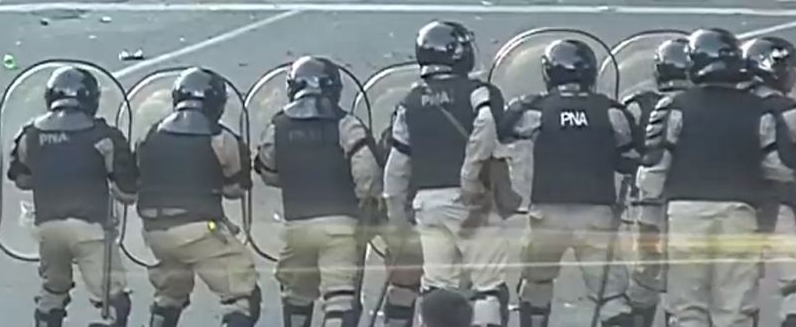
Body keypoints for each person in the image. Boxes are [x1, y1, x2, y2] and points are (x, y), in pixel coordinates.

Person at [634, 28, 794, 327]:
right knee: (734, 309)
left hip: (684, 216)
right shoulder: (760, 110)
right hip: (739, 214)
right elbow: (781, 169)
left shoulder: (673, 106)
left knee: (687, 308)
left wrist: (647, 221)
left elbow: (654, 169)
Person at [383, 21, 512, 327]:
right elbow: (487, 127)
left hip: (428, 204)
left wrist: (396, 217)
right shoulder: (479, 93)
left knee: (438, 287)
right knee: (487, 287)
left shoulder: (410, 102)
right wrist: (469, 177)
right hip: (472, 204)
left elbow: (397, 165)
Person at [502, 39, 638, 327]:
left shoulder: (539, 110)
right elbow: (629, 156)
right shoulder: (610, 111)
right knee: (611, 294)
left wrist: (517, 106)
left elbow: (505, 132)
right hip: (596, 213)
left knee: (536, 283)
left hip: (547, 214)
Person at [253, 57, 383, 327]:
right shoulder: (347, 124)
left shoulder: (278, 125)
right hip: (341, 226)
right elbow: (367, 171)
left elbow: (268, 170)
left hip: (297, 225)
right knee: (340, 297)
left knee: (296, 292)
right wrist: (366, 204)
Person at [7, 66, 137, 327]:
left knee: (53, 291)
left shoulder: (30, 134)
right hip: (91, 228)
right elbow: (128, 193)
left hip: (47, 227)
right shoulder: (105, 137)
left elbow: (21, 179)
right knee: (112, 301)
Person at [135, 68, 260, 327]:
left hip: (155, 233)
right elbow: (236, 189)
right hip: (199, 231)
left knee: (170, 294)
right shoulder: (220, 138)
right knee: (243, 297)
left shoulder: (151, 134)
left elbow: (138, 175)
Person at [743, 37, 796, 327]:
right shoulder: (790, 111)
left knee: (737, 290)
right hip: (779, 204)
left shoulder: (732, 105)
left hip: (734, 204)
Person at [620, 38, 691, 327]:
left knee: (645, 271)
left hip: (646, 202)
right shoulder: (698, 104)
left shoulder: (637, 104)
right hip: (687, 199)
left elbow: (625, 148)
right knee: (683, 275)